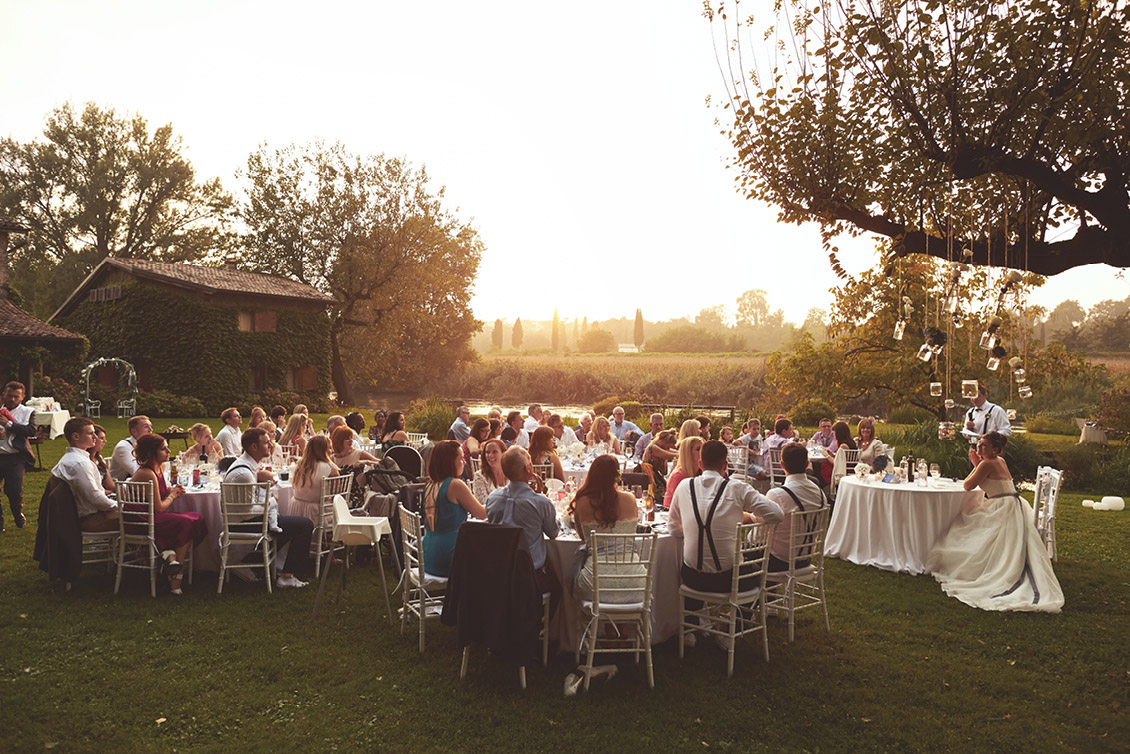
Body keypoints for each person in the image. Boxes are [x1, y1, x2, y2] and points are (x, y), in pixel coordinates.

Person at [926, 431, 1063, 612]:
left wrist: (976, 464)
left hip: (1000, 507)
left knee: (963, 526)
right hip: (1013, 504)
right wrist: (978, 463)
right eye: (979, 444)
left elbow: (967, 485)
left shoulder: (988, 463)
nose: (979, 447)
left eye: (984, 445)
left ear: (995, 450)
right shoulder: (999, 461)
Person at [668, 441, 783, 620]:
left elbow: (673, 529)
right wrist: (753, 518)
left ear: (700, 464)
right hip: (728, 579)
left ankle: (692, 627)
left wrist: (695, 533)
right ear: (725, 465)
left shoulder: (684, 486)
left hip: (691, 577)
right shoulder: (737, 488)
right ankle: (737, 625)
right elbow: (776, 514)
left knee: (693, 564)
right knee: (758, 573)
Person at [224, 427, 313, 588]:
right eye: (266, 443)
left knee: (287, 525)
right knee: (305, 525)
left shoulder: (247, 466)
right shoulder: (244, 473)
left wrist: (259, 476)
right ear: (254, 447)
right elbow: (247, 512)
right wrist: (272, 500)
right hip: (244, 523)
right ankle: (286, 576)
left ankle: (246, 564)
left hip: (246, 519)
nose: (270, 445)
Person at [129, 434, 207, 595]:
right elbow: (160, 507)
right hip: (142, 519)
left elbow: (160, 493)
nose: (168, 451)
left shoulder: (159, 468)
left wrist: (171, 490)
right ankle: (175, 579)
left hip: (150, 515)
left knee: (196, 517)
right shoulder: (147, 473)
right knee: (186, 523)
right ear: (151, 453)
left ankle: (170, 559)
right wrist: (173, 495)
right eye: (163, 449)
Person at [569, 454, 645, 602]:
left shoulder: (582, 502)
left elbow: (584, 539)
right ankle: (620, 623)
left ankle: (607, 623)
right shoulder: (630, 499)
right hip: (634, 581)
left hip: (596, 583)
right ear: (616, 476)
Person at [485, 446, 560, 595]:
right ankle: (537, 616)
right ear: (528, 468)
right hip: (530, 575)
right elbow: (553, 533)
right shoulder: (540, 503)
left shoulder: (493, 498)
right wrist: (540, 497)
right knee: (560, 587)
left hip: (498, 571)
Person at [421, 440, 486, 577]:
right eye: (461, 458)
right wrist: (500, 499)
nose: (464, 462)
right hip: (450, 554)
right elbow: (481, 514)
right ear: (450, 461)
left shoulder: (429, 486)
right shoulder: (456, 485)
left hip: (428, 553)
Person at [765, 443, 826, 572]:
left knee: (743, 550)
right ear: (806, 464)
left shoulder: (777, 495)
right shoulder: (820, 494)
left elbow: (759, 534)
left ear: (782, 465)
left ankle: (766, 591)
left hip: (779, 560)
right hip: (805, 557)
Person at [51, 417, 118, 533]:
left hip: (90, 514)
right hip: (89, 520)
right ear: (76, 437)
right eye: (91, 433)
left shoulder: (76, 459)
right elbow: (96, 498)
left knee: (144, 513)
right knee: (145, 516)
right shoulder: (79, 464)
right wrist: (121, 506)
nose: (95, 437)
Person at [0, 381, 35, 529]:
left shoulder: (28, 412)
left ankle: (17, 514)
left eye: (16, 396)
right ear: (3, 395)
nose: (12, 399)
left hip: (16, 457)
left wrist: (9, 424)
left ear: (22, 397)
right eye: (9, 396)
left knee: (14, 490)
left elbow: (31, 431)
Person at [287, 435, 339, 524]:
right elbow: (336, 497)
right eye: (330, 448)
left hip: (296, 507)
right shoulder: (331, 469)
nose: (332, 451)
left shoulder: (301, 465)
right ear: (323, 451)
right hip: (318, 512)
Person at [663, 435, 704, 509]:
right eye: (698, 449)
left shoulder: (700, 473)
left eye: (703, 448)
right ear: (688, 453)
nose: (702, 452)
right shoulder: (678, 476)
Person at [109, 414, 153, 481]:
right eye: (146, 427)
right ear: (134, 431)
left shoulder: (148, 445)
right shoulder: (123, 448)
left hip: (140, 485)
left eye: (150, 426)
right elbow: (136, 472)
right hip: (120, 487)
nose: (150, 430)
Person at [471, 438, 508, 503]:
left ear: (503, 453)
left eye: (495, 452)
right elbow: (483, 503)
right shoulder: (480, 476)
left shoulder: (511, 473)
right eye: (487, 452)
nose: (490, 455)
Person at [88, 424, 115, 494]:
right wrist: (110, 492)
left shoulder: (99, 458)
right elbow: (92, 491)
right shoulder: (85, 462)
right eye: (101, 438)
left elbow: (110, 484)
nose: (105, 441)